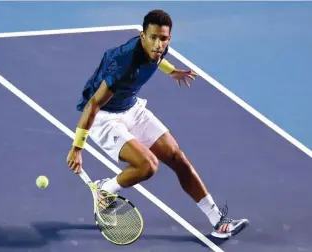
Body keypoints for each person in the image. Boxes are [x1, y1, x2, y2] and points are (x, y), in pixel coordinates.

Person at [66, 9, 249, 238]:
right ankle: (106, 189)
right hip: (104, 116)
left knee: (177, 157)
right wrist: (77, 148)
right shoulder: (123, 64)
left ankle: (217, 220)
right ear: (143, 36)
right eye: (153, 37)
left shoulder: (160, 48)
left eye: (163, 38)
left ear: (168, 38)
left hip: (131, 107)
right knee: (148, 166)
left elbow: (158, 58)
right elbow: (93, 104)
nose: (158, 44)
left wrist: (172, 71)